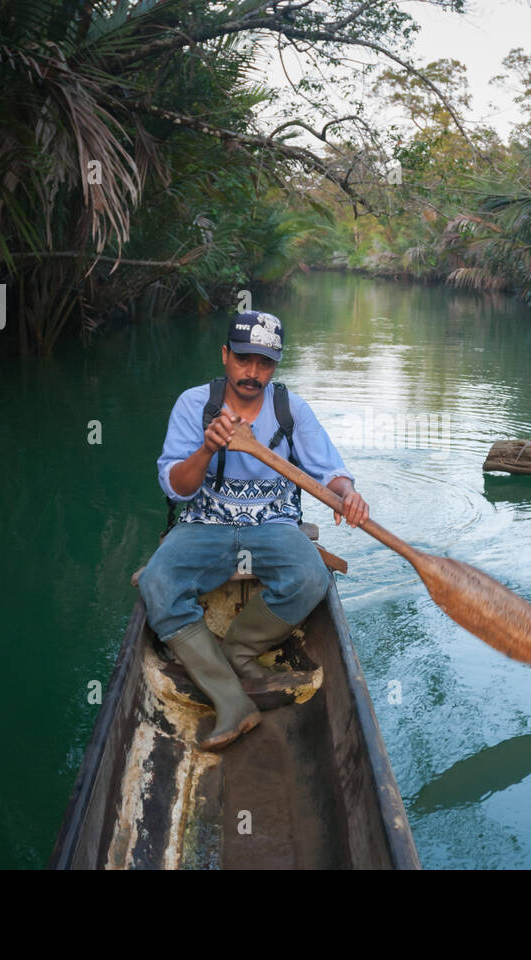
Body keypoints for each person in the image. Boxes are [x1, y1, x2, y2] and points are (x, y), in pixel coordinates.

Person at [136, 310, 369, 751]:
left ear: (275, 366)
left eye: (264, 363)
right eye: (243, 359)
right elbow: (179, 488)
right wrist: (207, 447)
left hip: (272, 524)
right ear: (225, 356)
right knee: (158, 585)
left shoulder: (289, 408)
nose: (252, 373)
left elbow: (330, 472)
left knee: (310, 579)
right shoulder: (194, 405)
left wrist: (348, 492)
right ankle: (232, 700)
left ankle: (238, 649)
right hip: (205, 523)